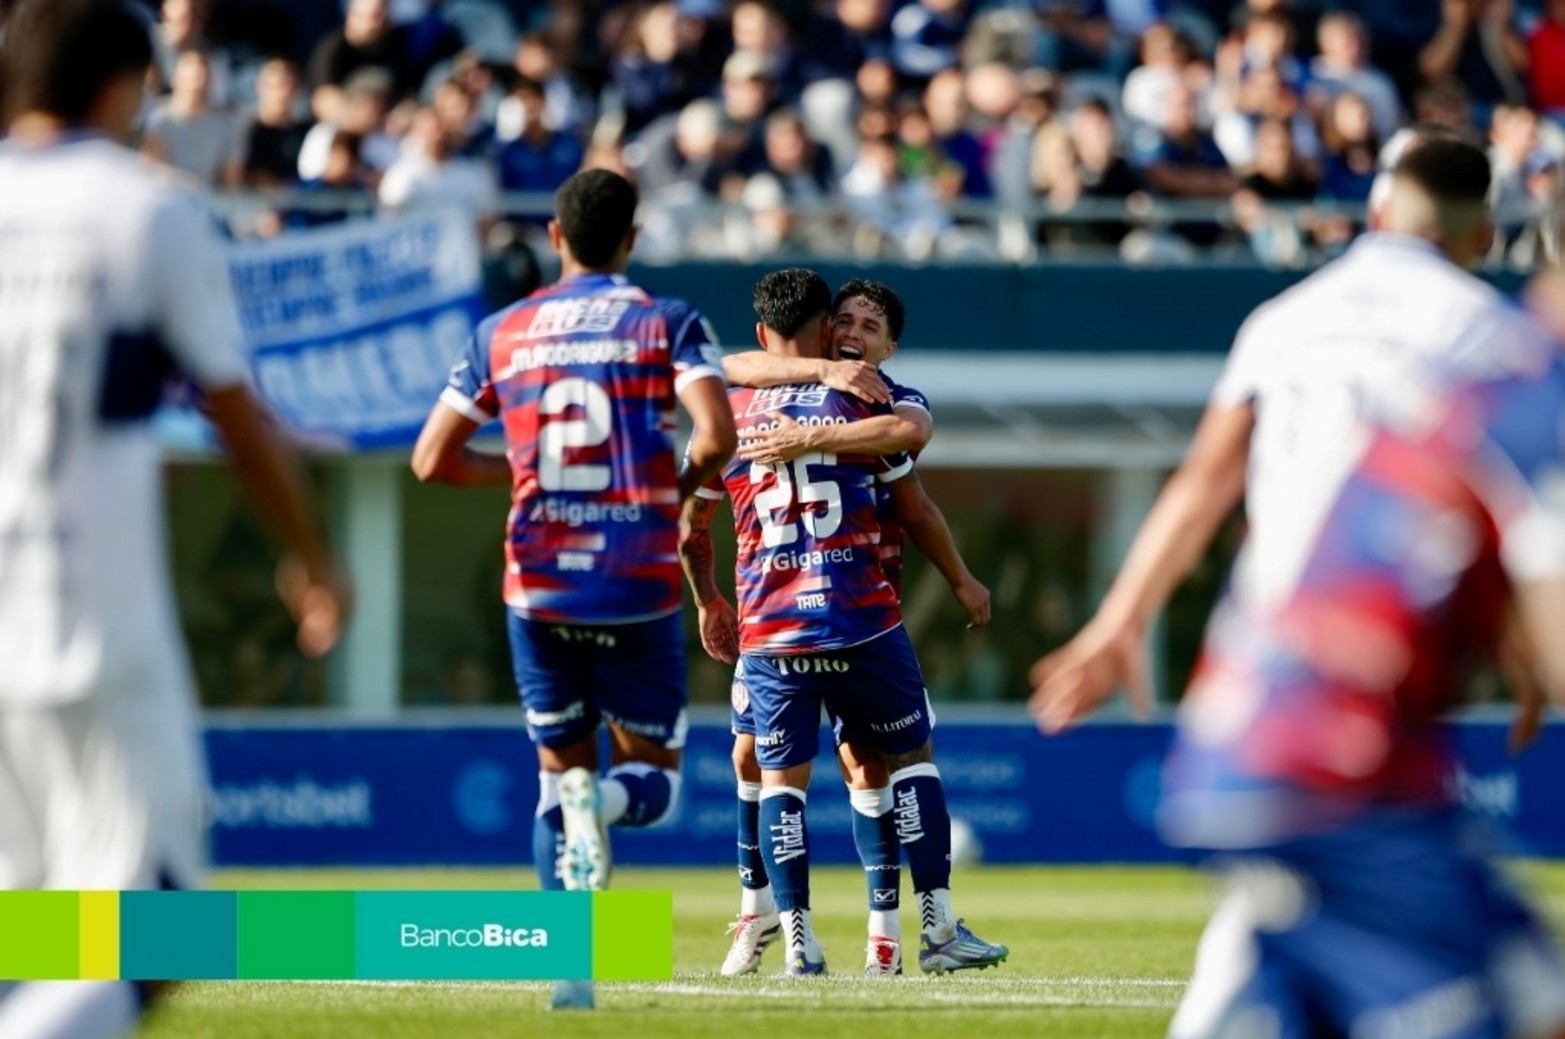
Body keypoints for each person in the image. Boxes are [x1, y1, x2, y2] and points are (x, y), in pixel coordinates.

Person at [1037, 281, 1565, 1037]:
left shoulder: (1479, 381)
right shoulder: (1538, 402)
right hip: (1337, 774)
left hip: (1245, 746)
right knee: (1526, 1003)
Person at [0, 4, 348, 1039]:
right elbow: (234, 415)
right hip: (91, 620)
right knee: (153, 928)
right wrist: (314, 560)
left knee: (32, 930)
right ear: (121, 87)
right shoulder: (143, 211)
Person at [1030, 135, 1548, 736]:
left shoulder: (1280, 319)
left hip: (1253, 663)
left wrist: (1119, 622)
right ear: (1485, 234)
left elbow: (1204, 480)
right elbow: (1522, 516)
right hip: (1385, 660)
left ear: (1377, 217)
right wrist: (1525, 646)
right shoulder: (1500, 338)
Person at [410, 168, 737, 1010]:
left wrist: (519, 475)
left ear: (554, 237)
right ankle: (611, 796)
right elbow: (718, 433)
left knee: (556, 777)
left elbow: (430, 459)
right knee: (654, 790)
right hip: (633, 577)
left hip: (538, 581)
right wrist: (673, 480)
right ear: (633, 239)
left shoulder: (501, 331)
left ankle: (570, 977)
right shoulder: (666, 322)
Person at [680, 268, 1006, 978]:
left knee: (795, 774)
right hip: (855, 617)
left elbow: (687, 514)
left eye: (868, 326)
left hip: (771, 627)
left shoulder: (736, 413)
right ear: (824, 328)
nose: (854, 334)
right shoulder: (853, 395)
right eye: (845, 322)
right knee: (897, 759)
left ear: (888, 346)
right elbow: (914, 483)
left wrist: (707, 592)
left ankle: (854, 938)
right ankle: (917, 928)